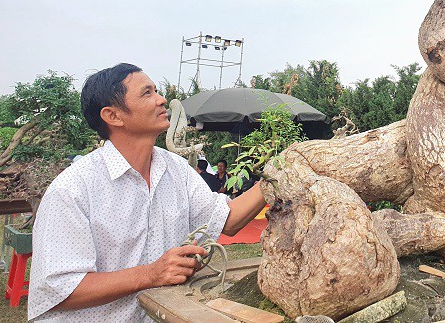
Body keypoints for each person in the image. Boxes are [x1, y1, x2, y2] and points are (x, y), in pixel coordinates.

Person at [28, 63, 267, 322]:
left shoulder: (176, 170)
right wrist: (152, 274)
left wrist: (282, 172)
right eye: (147, 93)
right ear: (113, 116)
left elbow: (228, 220)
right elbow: (61, 290)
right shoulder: (74, 189)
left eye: (156, 90)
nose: (162, 99)